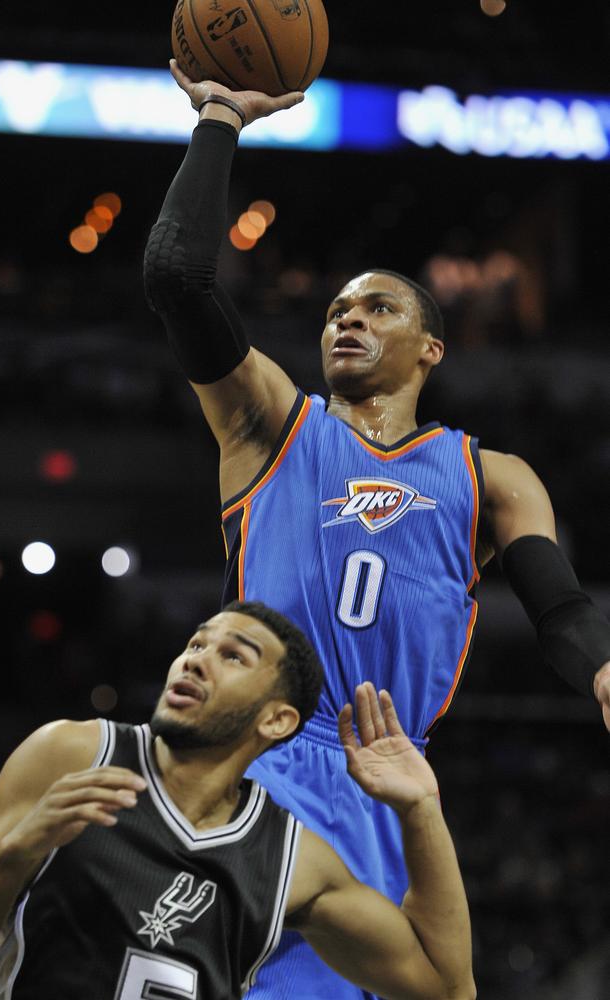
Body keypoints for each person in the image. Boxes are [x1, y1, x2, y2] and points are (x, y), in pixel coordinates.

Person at [143, 64, 610, 1000]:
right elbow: (179, 277)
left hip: (384, 781)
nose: (347, 319)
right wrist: (223, 118)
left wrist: (602, 667)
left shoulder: (491, 476)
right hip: (250, 750)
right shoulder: (274, 424)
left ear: (429, 349)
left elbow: (559, 609)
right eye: (335, 312)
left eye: (377, 308)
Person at [0, 601, 475, 1000]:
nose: (195, 662)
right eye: (196, 645)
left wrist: (420, 810)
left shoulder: (291, 860)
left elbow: (447, 989)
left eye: (232, 656)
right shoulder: (75, 753)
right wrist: (14, 856)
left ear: (276, 720)